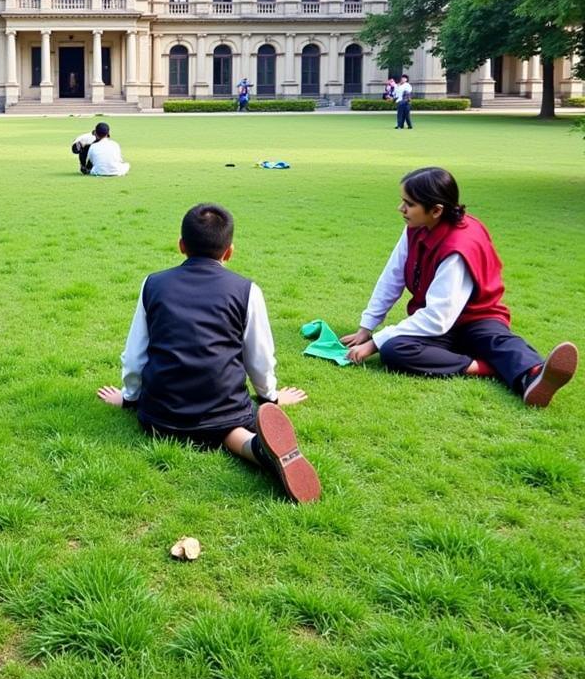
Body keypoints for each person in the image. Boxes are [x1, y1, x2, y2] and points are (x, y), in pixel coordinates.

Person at [96, 203, 321, 503]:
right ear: (229, 252)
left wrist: (128, 398)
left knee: (194, 423)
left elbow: (135, 354)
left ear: (180, 246)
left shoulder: (152, 284)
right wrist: (271, 396)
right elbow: (259, 357)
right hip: (223, 412)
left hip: (159, 416)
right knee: (229, 428)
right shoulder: (246, 290)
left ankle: (260, 451)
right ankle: (256, 449)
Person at [341, 167, 577, 407]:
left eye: (409, 204)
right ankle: (488, 367)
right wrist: (366, 328)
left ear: (436, 210)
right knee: (394, 350)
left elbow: (438, 317)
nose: (401, 208)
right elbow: (392, 276)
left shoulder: (458, 246)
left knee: (496, 341)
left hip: (477, 319)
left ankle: (533, 375)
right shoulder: (415, 227)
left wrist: (374, 343)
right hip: (438, 326)